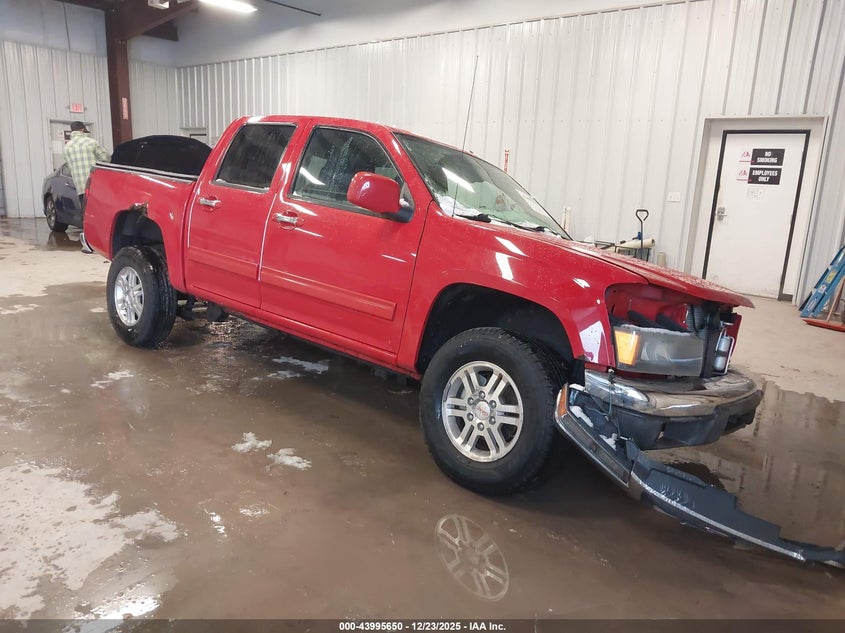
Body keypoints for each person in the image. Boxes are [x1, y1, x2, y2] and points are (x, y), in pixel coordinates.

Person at [63, 121, 109, 253]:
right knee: (100, 213)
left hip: (81, 186)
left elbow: (68, 164)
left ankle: (88, 245)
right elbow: (106, 159)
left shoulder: (67, 147)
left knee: (86, 215)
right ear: (83, 129)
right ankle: (101, 244)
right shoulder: (91, 142)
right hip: (96, 184)